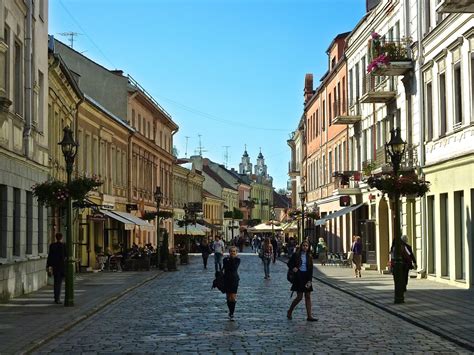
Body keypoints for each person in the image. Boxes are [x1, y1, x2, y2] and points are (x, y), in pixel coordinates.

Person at [287, 241, 317, 322]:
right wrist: (294, 268)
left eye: (307, 246)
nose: (305, 247)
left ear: (308, 247)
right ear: (301, 246)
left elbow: (310, 269)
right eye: (304, 245)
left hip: (307, 277)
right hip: (299, 276)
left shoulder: (309, 256)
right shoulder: (296, 255)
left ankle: (309, 316)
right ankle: (290, 311)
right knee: (299, 297)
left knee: (308, 296)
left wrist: (310, 280)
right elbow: (289, 264)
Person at [46, 233, 67, 304]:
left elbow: (50, 256)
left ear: (56, 237)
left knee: (56, 283)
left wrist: (48, 266)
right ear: (61, 238)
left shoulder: (52, 245)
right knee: (60, 283)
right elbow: (66, 256)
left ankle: (56, 297)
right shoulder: (63, 245)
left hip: (55, 267)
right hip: (61, 267)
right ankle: (58, 298)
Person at [223, 246, 240, 320]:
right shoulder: (225, 259)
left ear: (236, 253)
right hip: (226, 279)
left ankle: (232, 313)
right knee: (228, 296)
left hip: (234, 279)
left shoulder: (238, 260)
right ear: (229, 252)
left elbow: (234, 267)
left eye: (234, 251)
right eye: (231, 251)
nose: (232, 253)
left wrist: (231, 259)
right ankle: (230, 311)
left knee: (232, 296)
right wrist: (229, 259)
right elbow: (226, 267)